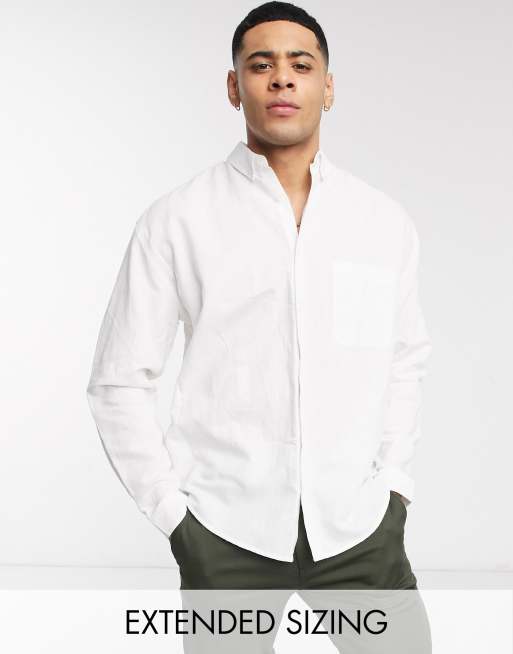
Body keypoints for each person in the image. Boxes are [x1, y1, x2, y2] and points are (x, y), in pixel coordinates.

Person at [86, 1, 433, 595]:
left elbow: (404, 361)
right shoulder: (177, 220)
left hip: (359, 533)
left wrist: (394, 488)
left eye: (301, 64)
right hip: (226, 537)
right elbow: (118, 381)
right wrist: (175, 519)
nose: (282, 79)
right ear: (233, 87)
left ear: (328, 88)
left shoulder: (381, 222)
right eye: (261, 64)